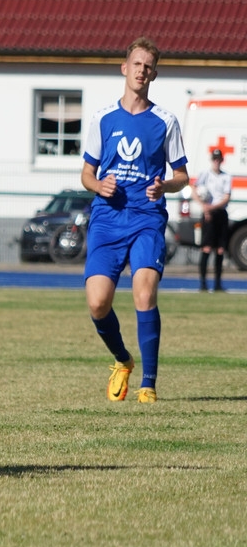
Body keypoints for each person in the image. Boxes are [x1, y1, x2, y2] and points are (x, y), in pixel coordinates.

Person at [81, 36, 189, 404]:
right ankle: (123, 360)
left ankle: (148, 383)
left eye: (148, 66)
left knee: (144, 292)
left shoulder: (165, 121)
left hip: (146, 217)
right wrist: (99, 185)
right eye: (136, 64)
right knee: (98, 303)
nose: (141, 71)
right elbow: (85, 174)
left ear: (154, 74)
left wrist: (166, 186)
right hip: (108, 218)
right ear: (124, 68)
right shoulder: (103, 118)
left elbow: (182, 176)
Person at [191, 148, 231, 292]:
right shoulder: (205, 175)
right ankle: (203, 283)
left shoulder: (226, 177)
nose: (216, 161)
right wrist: (204, 207)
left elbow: (226, 196)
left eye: (218, 159)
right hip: (208, 214)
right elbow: (194, 190)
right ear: (211, 160)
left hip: (220, 212)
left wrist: (213, 207)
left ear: (221, 160)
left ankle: (218, 284)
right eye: (214, 159)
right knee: (206, 247)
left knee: (220, 249)